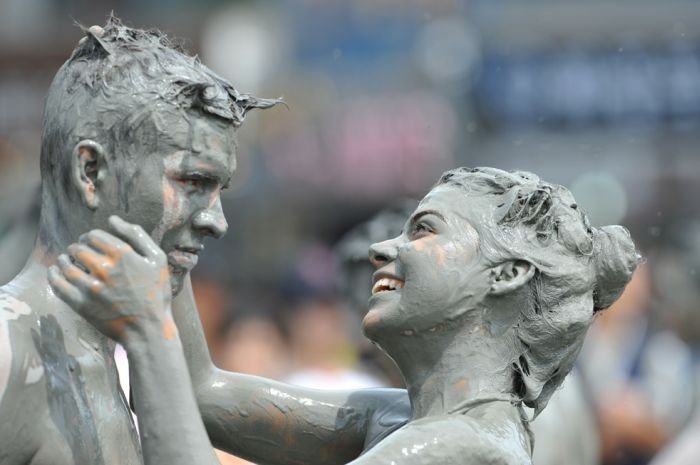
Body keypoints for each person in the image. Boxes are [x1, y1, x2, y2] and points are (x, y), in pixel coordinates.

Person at [53, 167, 640, 464]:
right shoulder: (400, 420)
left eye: (424, 230)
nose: (386, 248)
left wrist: (145, 329)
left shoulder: (460, 449)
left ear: (506, 274)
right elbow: (203, 395)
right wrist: (168, 226)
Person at [0, 17, 275, 465]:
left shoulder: (114, 355)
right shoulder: (8, 354)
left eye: (218, 190)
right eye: (192, 181)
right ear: (91, 172)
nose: (217, 222)